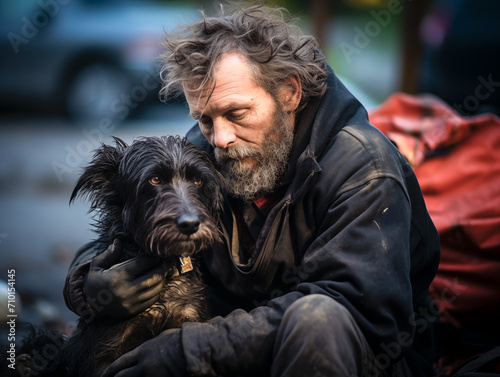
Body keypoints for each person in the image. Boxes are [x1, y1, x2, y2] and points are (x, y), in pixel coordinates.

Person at [63, 3, 441, 377]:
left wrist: (187, 350)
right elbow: (134, 214)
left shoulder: (365, 169)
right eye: (206, 119)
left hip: (353, 359)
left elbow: (360, 311)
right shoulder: (207, 150)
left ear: (290, 93)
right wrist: (89, 279)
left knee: (316, 320)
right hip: (233, 351)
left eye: (237, 114)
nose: (220, 138)